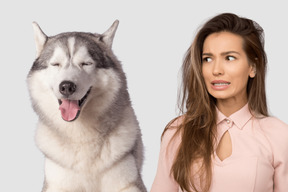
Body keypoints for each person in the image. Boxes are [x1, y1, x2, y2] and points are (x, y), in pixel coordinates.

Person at [150, 13, 288, 192]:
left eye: (229, 58)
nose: (216, 70)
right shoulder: (178, 132)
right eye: (207, 59)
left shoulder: (279, 135)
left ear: (252, 67)